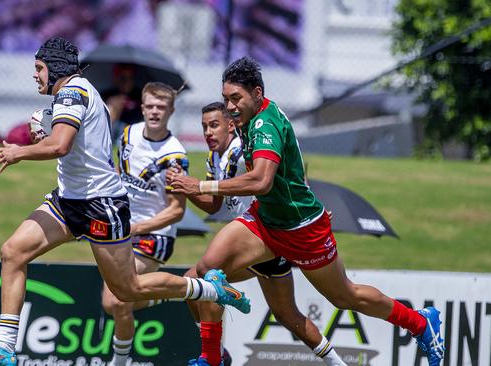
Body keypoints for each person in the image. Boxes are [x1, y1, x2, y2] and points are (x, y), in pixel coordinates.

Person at [0, 37, 250, 366]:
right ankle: (4, 347)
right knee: (13, 251)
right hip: (68, 201)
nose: (35, 75)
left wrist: (18, 151)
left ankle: (212, 290)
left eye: (39, 69)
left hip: (100, 203)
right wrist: (47, 128)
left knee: (127, 292)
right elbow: (66, 139)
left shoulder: (72, 92)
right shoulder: (72, 94)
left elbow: (61, 146)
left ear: (55, 69)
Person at [168, 57, 445, 366]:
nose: (230, 106)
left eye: (236, 98)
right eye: (226, 99)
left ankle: (420, 323)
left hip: (302, 228)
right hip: (265, 221)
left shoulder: (263, 124)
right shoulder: (250, 118)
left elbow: (261, 180)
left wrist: (202, 187)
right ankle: (213, 357)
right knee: (205, 270)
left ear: (257, 93)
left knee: (344, 297)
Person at [172, 102, 345, 366]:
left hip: (266, 239)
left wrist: (308, 212)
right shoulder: (214, 158)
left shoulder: (243, 150)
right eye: (204, 127)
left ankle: (213, 356)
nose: (208, 132)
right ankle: (337, 363)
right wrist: (189, 189)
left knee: (205, 280)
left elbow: (283, 175)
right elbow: (214, 204)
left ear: (231, 126)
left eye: (214, 125)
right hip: (253, 245)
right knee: (288, 316)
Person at [101, 82, 188, 366]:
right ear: (141, 108)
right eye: (150, 106)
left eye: (161, 107)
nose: (154, 112)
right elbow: (118, 173)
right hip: (122, 229)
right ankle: (166, 293)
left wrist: (138, 228)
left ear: (171, 111)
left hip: (154, 235)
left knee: (119, 300)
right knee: (108, 302)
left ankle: (120, 362)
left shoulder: (174, 155)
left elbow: (176, 211)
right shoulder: (127, 134)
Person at [101, 64, 144, 140]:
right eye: (122, 78)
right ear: (116, 78)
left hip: (134, 128)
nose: (126, 81)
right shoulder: (107, 94)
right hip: (112, 130)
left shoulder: (140, 95)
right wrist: (113, 105)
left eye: (130, 78)